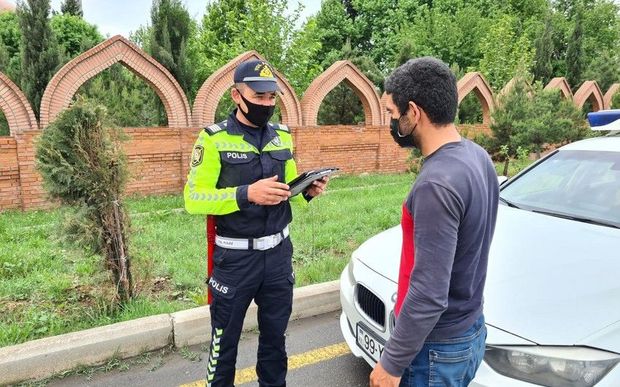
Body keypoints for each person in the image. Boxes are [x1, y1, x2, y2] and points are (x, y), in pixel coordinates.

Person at [184, 59, 328, 387]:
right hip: (235, 261)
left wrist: (306, 189)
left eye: (271, 98)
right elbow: (193, 198)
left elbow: (286, 187)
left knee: (275, 343)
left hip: (278, 257)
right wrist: (247, 193)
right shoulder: (212, 139)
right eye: (258, 96)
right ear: (237, 95)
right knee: (224, 348)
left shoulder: (282, 136)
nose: (266, 104)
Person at [369, 57, 499, 387]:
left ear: (413, 112)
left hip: (436, 349)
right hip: (470, 329)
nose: (390, 122)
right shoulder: (477, 156)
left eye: (391, 113)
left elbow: (429, 293)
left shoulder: (435, 185)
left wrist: (392, 364)